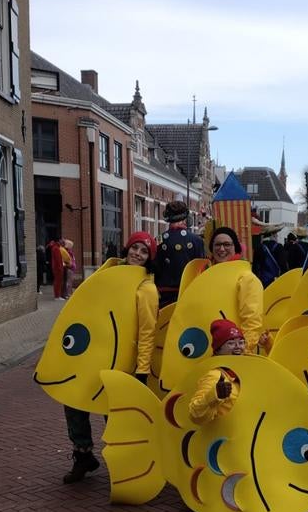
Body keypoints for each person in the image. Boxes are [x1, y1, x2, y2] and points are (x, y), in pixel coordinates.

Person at [62, 231, 159, 484]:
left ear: (149, 258)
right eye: (134, 248)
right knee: (73, 400)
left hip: (121, 362)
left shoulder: (146, 289)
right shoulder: (107, 274)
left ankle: (127, 465)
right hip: (93, 355)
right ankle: (82, 454)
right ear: (127, 248)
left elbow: (147, 332)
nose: (137, 254)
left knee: (115, 414)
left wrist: (142, 369)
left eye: (144, 251)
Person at [208, 226, 263, 353]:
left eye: (227, 244)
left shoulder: (246, 278)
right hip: (211, 350)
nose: (221, 249)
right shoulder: (206, 275)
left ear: (236, 248)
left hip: (235, 353)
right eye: (217, 245)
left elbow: (252, 323)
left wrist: (242, 352)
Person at [189, 319, 244, 424]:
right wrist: (214, 395)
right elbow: (194, 415)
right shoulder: (214, 376)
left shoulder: (244, 372)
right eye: (231, 343)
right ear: (218, 350)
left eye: (241, 342)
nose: (238, 347)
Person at [155, 198, 206, 307]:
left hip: (164, 296)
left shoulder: (158, 239)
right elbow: (201, 269)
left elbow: (154, 266)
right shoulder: (197, 240)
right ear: (186, 218)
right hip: (188, 293)